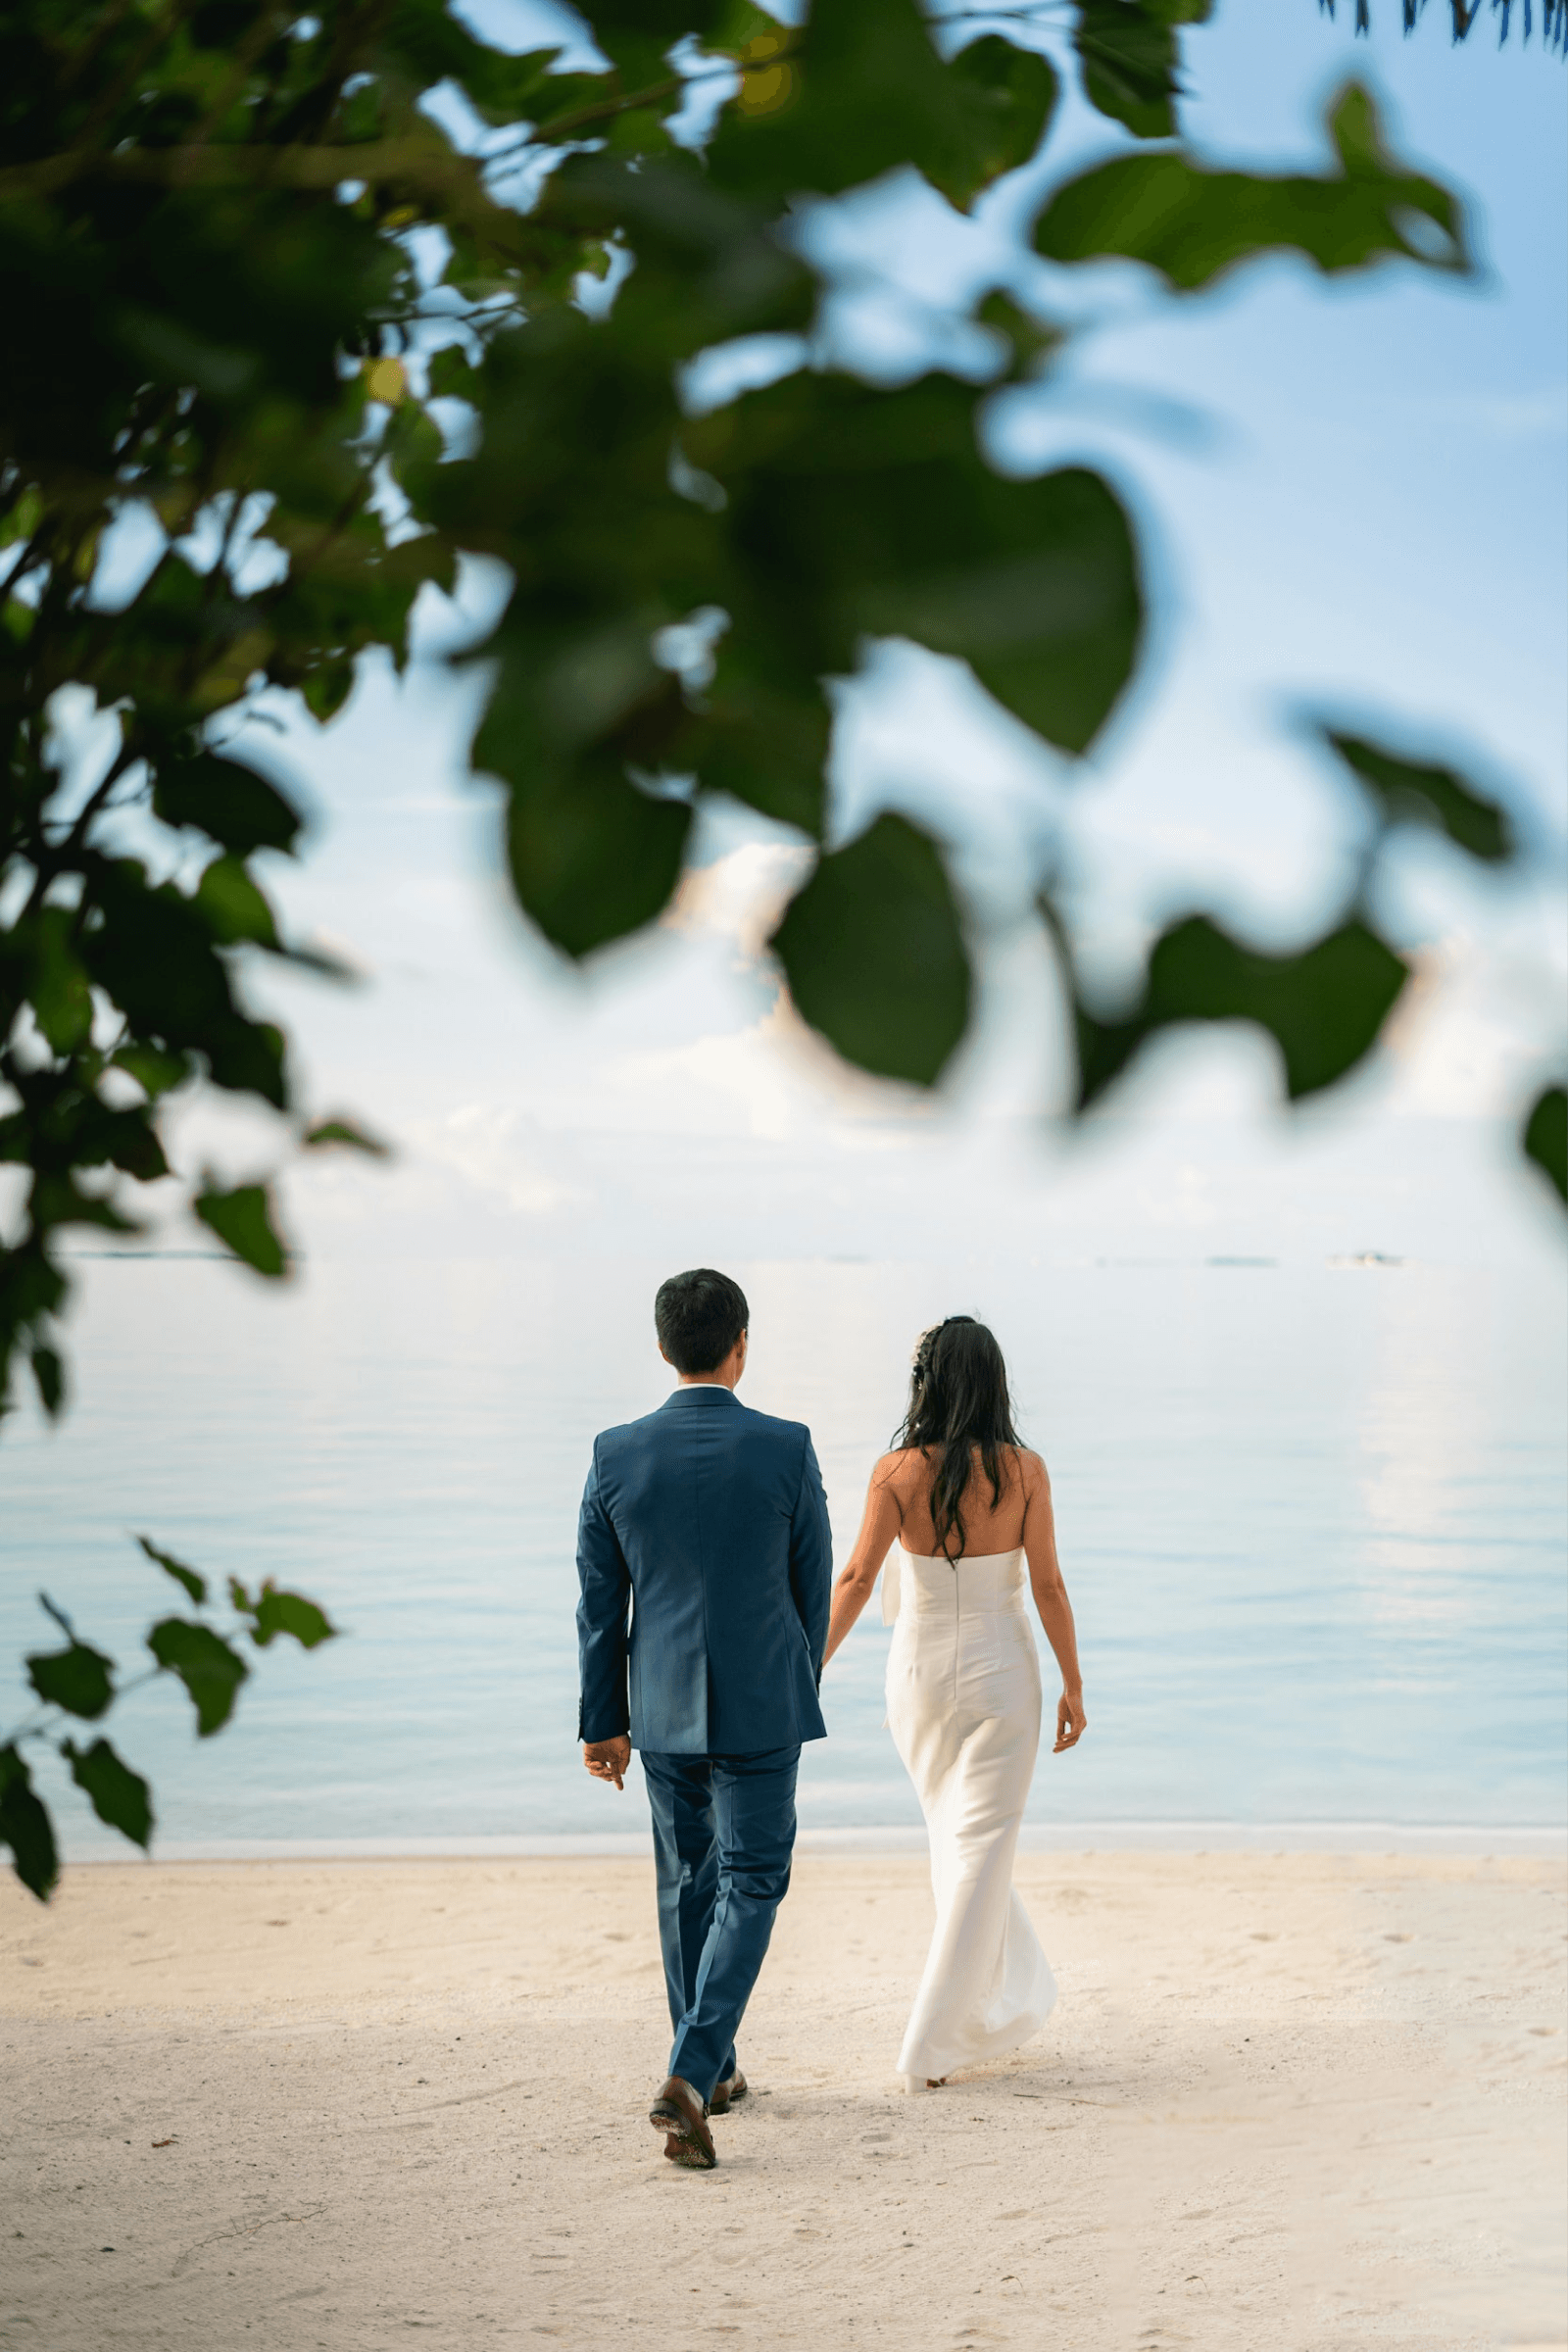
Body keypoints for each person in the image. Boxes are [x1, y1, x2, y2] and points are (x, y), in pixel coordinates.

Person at [576, 1267, 832, 2170]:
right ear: (742, 1344)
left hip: (661, 1707)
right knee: (754, 1881)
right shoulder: (787, 1447)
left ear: (661, 1347)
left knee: (687, 1882)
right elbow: (813, 1593)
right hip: (764, 1700)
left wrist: (602, 1721)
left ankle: (714, 2071)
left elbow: (600, 1606)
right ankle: (691, 2071)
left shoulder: (615, 1453)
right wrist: (794, 1677)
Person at [823, 1315, 1085, 2091]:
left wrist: (809, 1665)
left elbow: (858, 1581)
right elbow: (1048, 1586)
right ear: (994, 1380)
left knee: (957, 1840)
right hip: (1006, 1672)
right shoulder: (1026, 1471)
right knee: (979, 1841)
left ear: (926, 1381)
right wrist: (1073, 1681)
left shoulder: (896, 1470)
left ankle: (974, 2004)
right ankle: (931, 2043)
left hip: (921, 1676)